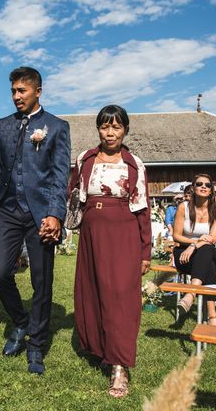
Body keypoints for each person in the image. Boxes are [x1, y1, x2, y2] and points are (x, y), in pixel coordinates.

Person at [0, 66, 70, 375]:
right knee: (0, 273)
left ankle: (36, 345)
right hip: (8, 212)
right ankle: (20, 322)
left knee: (42, 282)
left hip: (41, 214)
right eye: (13, 91)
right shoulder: (3, 126)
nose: (16, 96)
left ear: (37, 92)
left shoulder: (56, 126)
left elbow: (59, 176)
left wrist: (55, 214)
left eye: (21, 91)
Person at [67, 105, 151, 398]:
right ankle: (99, 347)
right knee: (92, 292)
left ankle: (119, 366)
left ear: (125, 130)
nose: (110, 132)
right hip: (92, 235)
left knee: (120, 297)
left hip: (123, 234)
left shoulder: (134, 164)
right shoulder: (85, 159)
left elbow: (143, 209)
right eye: (105, 127)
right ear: (98, 129)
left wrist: (145, 251)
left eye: (116, 127)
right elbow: (73, 197)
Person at [173, 174, 216, 324]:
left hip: (204, 251)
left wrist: (194, 245)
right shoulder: (183, 207)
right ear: (193, 188)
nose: (203, 187)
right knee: (209, 263)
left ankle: (190, 294)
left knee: (207, 250)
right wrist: (192, 244)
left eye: (207, 185)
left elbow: (212, 238)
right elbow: (176, 236)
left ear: (211, 190)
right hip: (184, 255)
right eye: (199, 184)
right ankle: (212, 315)